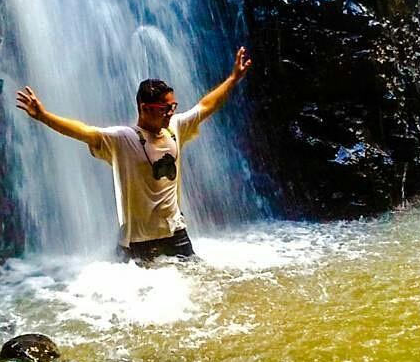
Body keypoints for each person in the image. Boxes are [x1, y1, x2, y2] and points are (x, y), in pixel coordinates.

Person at [15, 48, 252, 261]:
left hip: (175, 231)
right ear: (144, 108)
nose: (170, 112)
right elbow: (84, 132)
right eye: (164, 108)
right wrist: (44, 116)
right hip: (138, 240)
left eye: (173, 106)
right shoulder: (122, 138)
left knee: (198, 282)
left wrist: (233, 79)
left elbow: (205, 106)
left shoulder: (175, 127)